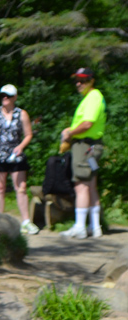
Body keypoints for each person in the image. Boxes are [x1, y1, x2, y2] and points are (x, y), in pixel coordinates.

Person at [0, 84, 38, 235]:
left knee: (21, 188)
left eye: (8, 95)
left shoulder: (22, 114)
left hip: (16, 156)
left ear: (15, 97)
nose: (5, 98)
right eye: (2, 95)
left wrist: (21, 147)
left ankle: (26, 221)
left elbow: (28, 134)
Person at [60, 68, 106, 239]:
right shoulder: (92, 97)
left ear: (91, 80)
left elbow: (87, 124)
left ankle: (80, 226)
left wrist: (70, 134)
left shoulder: (93, 97)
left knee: (81, 186)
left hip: (85, 145)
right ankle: (95, 227)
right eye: (77, 80)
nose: (78, 84)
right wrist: (71, 130)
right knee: (91, 185)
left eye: (83, 80)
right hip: (91, 146)